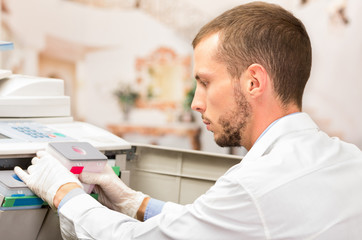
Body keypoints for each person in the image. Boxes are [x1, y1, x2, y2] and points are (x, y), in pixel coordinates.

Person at [14, 1, 362, 239]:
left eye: (205, 82)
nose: (195, 103)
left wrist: (63, 192)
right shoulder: (349, 159)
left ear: (253, 82)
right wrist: (133, 202)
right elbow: (215, 226)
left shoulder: (254, 186)